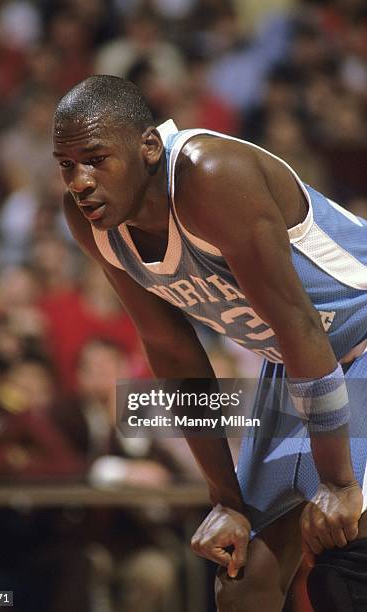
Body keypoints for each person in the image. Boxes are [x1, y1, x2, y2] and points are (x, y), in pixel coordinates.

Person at [52, 75, 367, 612]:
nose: (79, 181)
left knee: (347, 564)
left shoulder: (212, 175)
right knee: (242, 583)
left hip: (348, 338)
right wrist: (226, 502)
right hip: (297, 364)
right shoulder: (93, 221)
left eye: (95, 159)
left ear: (149, 146)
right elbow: (172, 351)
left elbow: (298, 322)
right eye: (66, 164)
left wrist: (339, 482)